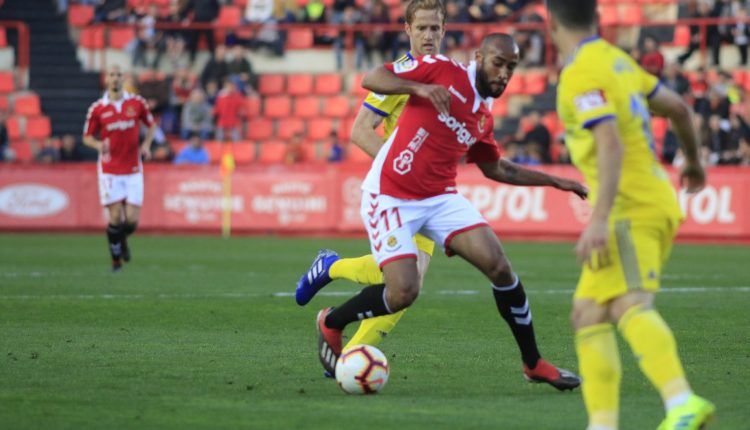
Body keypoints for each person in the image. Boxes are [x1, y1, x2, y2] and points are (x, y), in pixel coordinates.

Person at [297, 0, 581, 391]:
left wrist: (555, 181)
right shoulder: (440, 70)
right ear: (479, 57)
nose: (504, 73)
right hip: (391, 195)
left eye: (511, 67)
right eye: (498, 63)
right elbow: (372, 77)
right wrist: (421, 88)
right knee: (403, 292)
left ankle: (533, 363)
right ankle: (332, 322)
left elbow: (495, 168)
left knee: (500, 268)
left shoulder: (484, 115)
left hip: (439, 198)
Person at [544, 1, 715, 429]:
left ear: (550, 25)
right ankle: (603, 425)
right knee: (588, 311)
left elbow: (610, 143)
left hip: (628, 206)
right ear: (597, 20)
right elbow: (677, 107)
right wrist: (692, 161)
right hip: (648, 197)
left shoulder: (580, 71)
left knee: (628, 304)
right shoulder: (618, 61)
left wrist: (599, 219)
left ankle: (681, 401)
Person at [83, 65, 156, 272]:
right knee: (115, 216)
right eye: (111, 75)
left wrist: (146, 144)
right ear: (106, 80)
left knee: (132, 220)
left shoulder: (136, 103)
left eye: (118, 75)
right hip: (109, 169)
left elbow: (151, 125)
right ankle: (116, 260)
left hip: (133, 168)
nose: (115, 79)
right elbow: (87, 137)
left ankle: (122, 239)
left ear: (123, 79)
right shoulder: (97, 108)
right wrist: (98, 145)